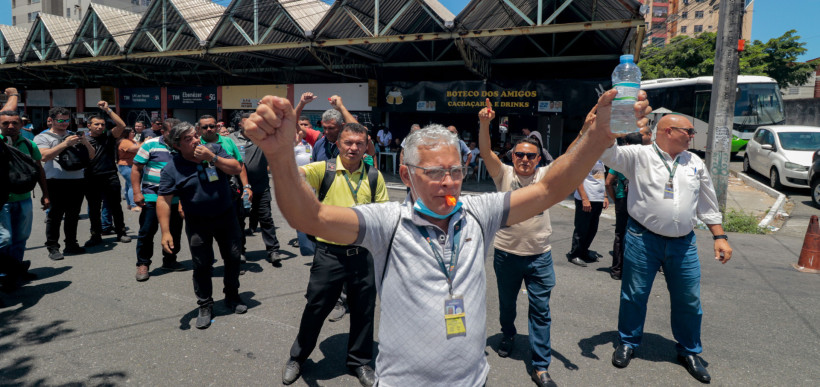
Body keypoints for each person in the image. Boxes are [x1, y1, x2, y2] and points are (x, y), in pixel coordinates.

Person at [243, 90, 650, 386]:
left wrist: (597, 137)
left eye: (455, 170)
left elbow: (547, 191)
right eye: (434, 172)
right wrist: (280, 157)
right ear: (406, 176)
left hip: (473, 380)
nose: (448, 181)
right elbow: (308, 216)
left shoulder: (478, 212)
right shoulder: (387, 222)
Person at [602, 114, 733, 383]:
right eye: (689, 130)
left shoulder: (694, 161)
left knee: (689, 300)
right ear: (669, 131)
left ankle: (689, 351)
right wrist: (619, 122)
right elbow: (606, 152)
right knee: (634, 295)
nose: (693, 134)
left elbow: (707, 202)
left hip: (683, 244)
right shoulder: (638, 155)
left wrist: (719, 236)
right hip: (642, 239)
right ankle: (628, 342)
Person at [281, 122, 388, 387]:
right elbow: (293, 176)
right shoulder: (323, 169)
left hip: (364, 254)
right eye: (348, 142)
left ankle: (360, 362)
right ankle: (298, 357)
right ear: (338, 144)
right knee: (316, 307)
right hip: (329, 254)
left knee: (364, 311)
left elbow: (385, 215)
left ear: (366, 146)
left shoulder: (374, 175)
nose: (353, 148)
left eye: (359, 143)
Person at [477, 100, 557, 387]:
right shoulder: (504, 175)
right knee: (507, 305)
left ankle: (540, 366)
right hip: (506, 254)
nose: (524, 159)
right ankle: (508, 333)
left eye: (530, 156)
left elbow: (573, 159)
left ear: (539, 159)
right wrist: (485, 123)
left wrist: (587, 131)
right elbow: (485, 152)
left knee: (541, 310)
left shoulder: (546, 177)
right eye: (520, 154)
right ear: (512, 156)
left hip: (540, 255)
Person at [157, 122, 245, 329]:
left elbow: (236, 168)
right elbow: (163, 200)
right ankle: (205, 304)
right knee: (202, 264)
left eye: (195, 136)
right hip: (198, 222)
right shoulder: (172, 168)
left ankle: (232, 296)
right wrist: (166, 232)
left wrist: (212, 158)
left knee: (232, 258)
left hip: (226, 216)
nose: (196, 140)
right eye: (189, 139)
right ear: (177, 145)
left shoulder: (213, 149)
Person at [0, 95, 49, 289]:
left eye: (14, 123)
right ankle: (3, 273)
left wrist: (46, 194)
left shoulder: (29, 144)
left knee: (20, 238)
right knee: (4, 239)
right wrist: (13, 95)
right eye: (5, 123)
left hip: (24, 199)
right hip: (2, 200)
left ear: (21, 124)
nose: (10, 126)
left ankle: (14, 272)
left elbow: (39, 169)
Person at [35, 107, 96, 260]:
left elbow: (91, 155)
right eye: (60, 120)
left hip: (77, 180)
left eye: (67, 120)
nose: (64, 123)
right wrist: (65, 144)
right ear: (52, 120)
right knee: (55, 216)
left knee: (73, 215)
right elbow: (44, 156)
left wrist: (85, 142)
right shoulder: (43, 137)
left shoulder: (73, 135)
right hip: (55, 181)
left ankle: (71, 244)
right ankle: (53, 247)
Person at [132, 118, 186, 282]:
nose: (177, 137)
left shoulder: (182, 146)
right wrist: (136, 192)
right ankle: (143, 263)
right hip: (152, 196)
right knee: (147, 232)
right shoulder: (150, 145)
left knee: (175, 231)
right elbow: (136, 168)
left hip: (175, 198)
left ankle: (170, 261)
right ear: (163, 132)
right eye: (173, 133)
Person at [229, 112, 281, 266]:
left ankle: (273, 251)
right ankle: (241, 252)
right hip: (238, 189)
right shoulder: (231, 139)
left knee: (266, 219)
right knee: (239, 221)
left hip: (261, 187)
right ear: (240, 124)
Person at [199, 115, 251, 262]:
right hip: (205, 194)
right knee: (206, 231)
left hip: (230, 192)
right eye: (205, 127)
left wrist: (246, 187)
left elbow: (240, 165)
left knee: (236, 225)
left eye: (212, 126)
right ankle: (207, 261)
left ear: (217, 127)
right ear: (199, 129)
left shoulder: (228, 142)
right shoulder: (195, 143)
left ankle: (238, 253)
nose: (209, 129)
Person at [83, 102, 130, 246]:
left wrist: (108, 110)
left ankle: (121, 233)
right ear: (89, 125)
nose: (100, 127)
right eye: (96, 124)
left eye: (102, 124)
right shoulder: (83, 140)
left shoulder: (109, 136)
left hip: (110, 175)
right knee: (94, 208)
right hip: (91, 178)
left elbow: (121, 125)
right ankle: (95, 235)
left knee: (116, 206)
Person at [605, 132, 647, 280]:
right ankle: (635, 270)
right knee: (640, 234)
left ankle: (617, 270)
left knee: (620, 235)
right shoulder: (646, 158)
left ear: (627, 144)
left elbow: (608, 182)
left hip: (623, 200)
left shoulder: (623, 158)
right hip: (640, 201)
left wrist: (615, 199)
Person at [566, 159, 609, 267]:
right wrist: (584, 199)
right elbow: (578, 179)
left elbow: (600, 178)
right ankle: (574, 254)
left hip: (597, 199)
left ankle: (584, 251)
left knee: (592, 229)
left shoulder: (599, 160)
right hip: (585, 199)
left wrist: (604, 196)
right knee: (581, 229)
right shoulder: (585, 158)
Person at [293, 129, 315, 257]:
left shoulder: (311, 143)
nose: (302, 129)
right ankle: (304, 240)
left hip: (312, 179)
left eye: (305, 126)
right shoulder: (291, 143)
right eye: (300, 126)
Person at [117, 128, 140, 211]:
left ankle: (129, 204)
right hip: (126, 166)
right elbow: (135, 149)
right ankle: (134, 205)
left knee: (128, 185)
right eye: (132, 132)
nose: (134, 133)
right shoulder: (124, 142)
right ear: (126, 133)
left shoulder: (132, 141)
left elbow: (138, 146)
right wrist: (146, 142)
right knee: (133, 185)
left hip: (131, 165)